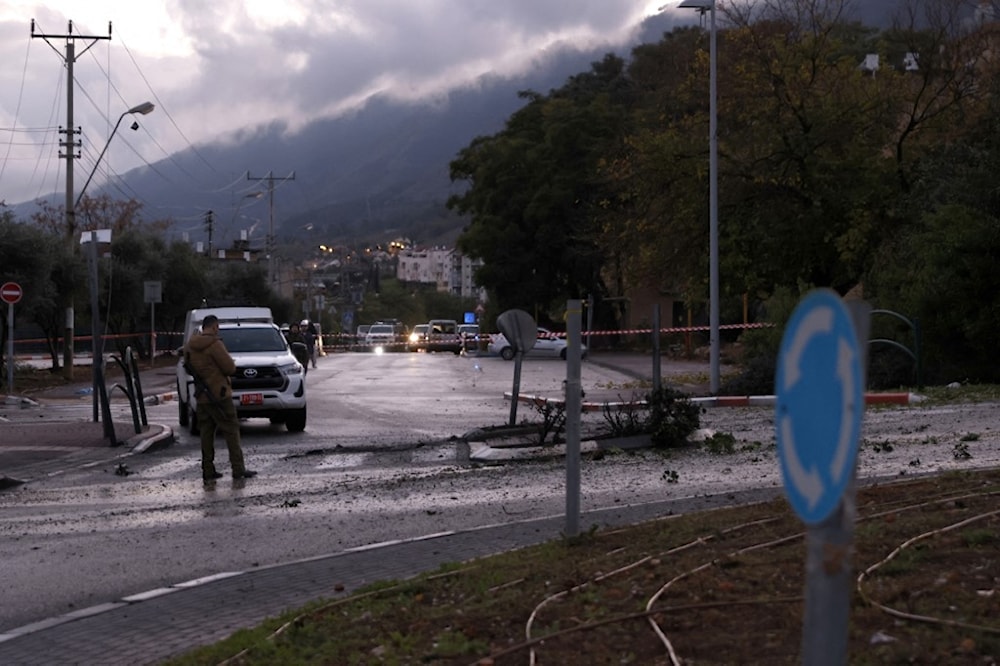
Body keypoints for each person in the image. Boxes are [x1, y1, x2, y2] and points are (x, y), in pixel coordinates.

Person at [184, 314, 257, 481]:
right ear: (215, 326)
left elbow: (188, 367)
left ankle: (208, 470)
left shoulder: (190, 345)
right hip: (220, 395)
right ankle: (238, 469)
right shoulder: (214, 344)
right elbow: (229, 367)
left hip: (202, 395)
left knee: (206, 433)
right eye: (217, 327)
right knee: (231, 430)